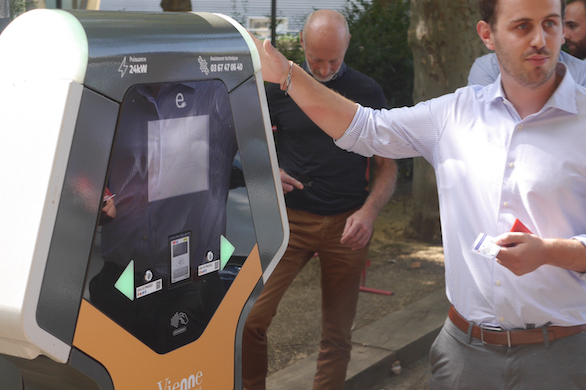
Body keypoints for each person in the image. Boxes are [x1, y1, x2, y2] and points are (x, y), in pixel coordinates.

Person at [250, 0, 586, 388]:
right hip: (466, 354)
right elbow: (365, 129)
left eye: (551, 24)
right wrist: (289, 75)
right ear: (487, 35)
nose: (540, 39)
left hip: (563, 355)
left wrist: (551, 252)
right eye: (522, 26)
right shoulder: (452, 115)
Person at [242, 10, 397, 390]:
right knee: (250, 320)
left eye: (334, 60)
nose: (325, 69)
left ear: (347, 47)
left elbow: (388, 167)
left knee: (337, 334)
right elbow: (244, 142)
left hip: (348, 223)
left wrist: (369, 212)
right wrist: (267, 172)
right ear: (301, 46)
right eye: (316, 59)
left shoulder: (367, 91)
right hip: (290, 222)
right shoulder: (275, 86)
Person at [91, 80, 237, 354]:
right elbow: (84, 159)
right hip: (121, 281)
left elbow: (263, 142)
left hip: (188, 288)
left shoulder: (216, 91)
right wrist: (93, 191)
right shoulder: (111, 90)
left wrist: (274, 166)